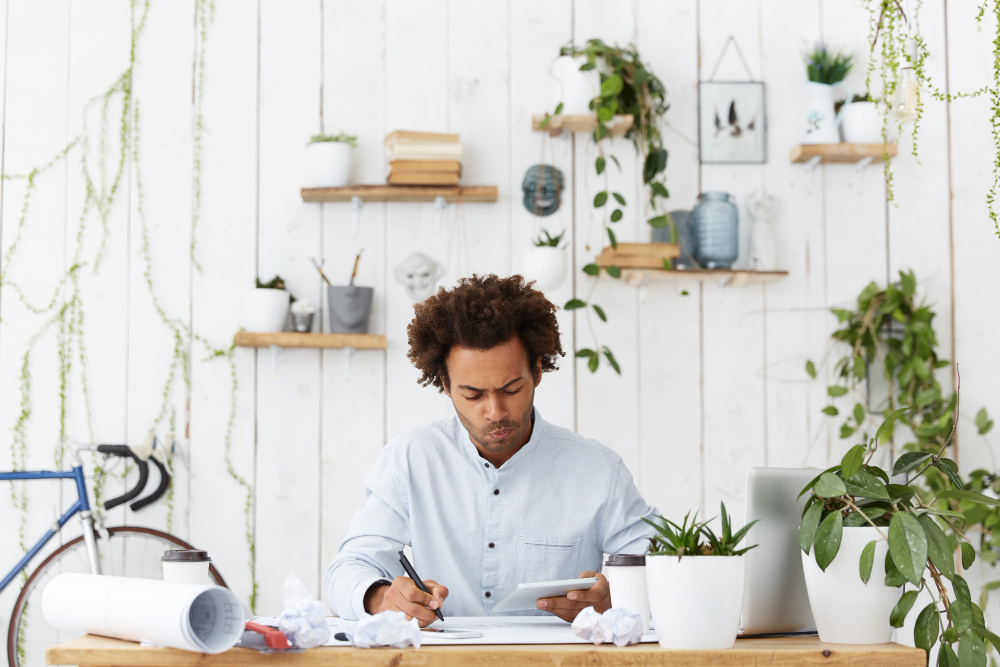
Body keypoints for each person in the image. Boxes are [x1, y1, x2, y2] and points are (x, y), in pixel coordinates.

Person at [325, 274, 658, 625]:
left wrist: (612, 601)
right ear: (445, 385)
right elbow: (347, 570)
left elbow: (662, 567)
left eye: (511, 389)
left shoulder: (599, 471)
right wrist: (380, 598)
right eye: (473, 395)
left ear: (538, 372)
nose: (496, 412)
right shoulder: (411, 460)